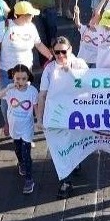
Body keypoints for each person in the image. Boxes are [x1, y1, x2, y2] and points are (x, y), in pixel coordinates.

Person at [35, 37, 89, 197]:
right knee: (60, 148)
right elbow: (42, 95)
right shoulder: (49, 69)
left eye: (63, 51)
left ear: (70, 50)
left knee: (76, 143)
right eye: (56, 52)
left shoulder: (79, 64)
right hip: (57, 116)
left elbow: (90, 85)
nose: (60, 55)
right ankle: (66, 181)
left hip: (77, 114)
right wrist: (39, 118)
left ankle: (76, 162)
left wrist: (71, 73)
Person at [0, 64, 40, 194]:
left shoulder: (32, 91)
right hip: (14, 126)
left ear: (28, 78)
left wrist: (39, 121)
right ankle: (21, 163)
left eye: (23, 79)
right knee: (18, 149)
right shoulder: (10, 89)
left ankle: (29, 179)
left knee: (26, 152)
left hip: (27, 127)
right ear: (13, 78)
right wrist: (8, 88)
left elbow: (36, 107)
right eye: (17, 79)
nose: (20, 82)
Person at [0, 1, 54, 88]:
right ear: (23, 16)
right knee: (7, 100)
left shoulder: (31, 26)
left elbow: (38, 44)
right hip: (7, 72)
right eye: (31, 14)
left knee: (25, 99)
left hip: (26, 72)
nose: (33, 16)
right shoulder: (2, 26)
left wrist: (51, 57)